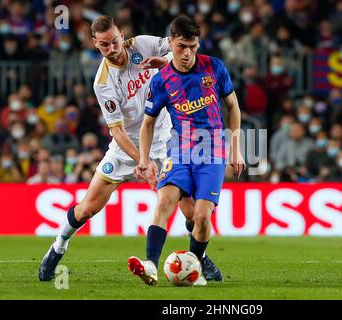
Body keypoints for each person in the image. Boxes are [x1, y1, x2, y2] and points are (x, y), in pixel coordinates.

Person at [38, 15, 222, 282]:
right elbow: (117, 131)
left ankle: (200, 259)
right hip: (127, 148)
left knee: (193, 213)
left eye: (115, 41)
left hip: (167, 140)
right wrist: (143, 162)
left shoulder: (144, 45)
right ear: (95, 44)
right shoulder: (103, 82)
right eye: (104, 45)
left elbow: (182, 50)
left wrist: (167, 61)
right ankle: (57, 247)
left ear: (121, 34)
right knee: (87, 209)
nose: (112, 49)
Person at [127, 15, 245, 286]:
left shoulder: (214, 67)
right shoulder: (162, 80)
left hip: (212, 152)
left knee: (200, 218)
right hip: (179, 153)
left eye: (192, 46)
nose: (187, 53)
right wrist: (144, 159)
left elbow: (234, 107)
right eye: (181, 46)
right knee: (164, 202)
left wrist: (236, 150)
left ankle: (194, 264)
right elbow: (147, 125)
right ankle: (150, 265)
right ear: (170, 43)